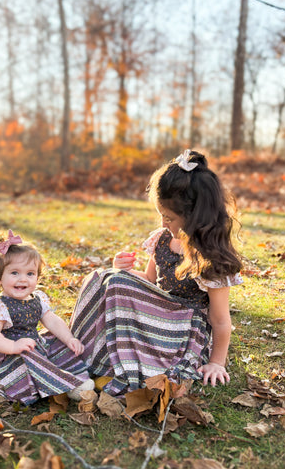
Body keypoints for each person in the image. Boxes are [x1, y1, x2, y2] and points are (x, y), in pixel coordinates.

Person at [70, 149, 243, 395]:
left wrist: (216, 362)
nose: (163, 223)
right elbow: (151, 281)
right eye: (161, 216)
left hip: (183, 330)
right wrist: (122, 271)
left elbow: (220, 320)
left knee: (116, 282)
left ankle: (125, 363)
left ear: (194, 216)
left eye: (169, 218)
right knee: (102, 277)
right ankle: (79, 350)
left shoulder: (209, 257)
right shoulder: (162, 239)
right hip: (157, 312)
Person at [0, 230, 94, 405]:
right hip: (8, 356)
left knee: (55, 341)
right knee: (27, 360)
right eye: (14, 273)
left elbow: (52, 320)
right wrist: (13, 346)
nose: (23, 279)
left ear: (37, 277)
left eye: (30, 274)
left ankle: (73, 375)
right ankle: (67, 385)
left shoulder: (37, 298)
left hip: (32, 345)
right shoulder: (1, 306)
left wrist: (69, 339)